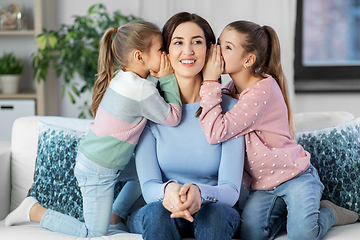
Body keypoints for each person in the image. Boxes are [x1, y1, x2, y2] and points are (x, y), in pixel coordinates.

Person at [5, 20, 183, 237]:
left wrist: (159, 79)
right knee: (93, 234)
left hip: (105, 162)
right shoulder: (140, 89)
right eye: (161, 50)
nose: (167, 55)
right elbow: (172, 117)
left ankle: (115, 215)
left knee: (146, 172)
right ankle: (34, 211)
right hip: (97, 171)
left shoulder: (125, 78)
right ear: (139, 56)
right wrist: (168, 78)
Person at [198, 20, 359, 240]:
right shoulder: (230, 91)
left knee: (303, 234)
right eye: (218, 43)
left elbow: (215, 132)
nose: (217, 51)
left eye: (227, 47)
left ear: (248, 60)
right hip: (263, 187)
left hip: (295, 176)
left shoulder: (261, 91)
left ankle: (329, 211)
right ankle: (292, 213)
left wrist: (208, 80)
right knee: (252, 235)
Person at [129, 12, 245, 240]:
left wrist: (199, 193)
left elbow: (231, 191)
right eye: (178, 42)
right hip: (162, 208)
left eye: (197, 42)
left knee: (214, 218)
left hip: (213, 208)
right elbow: (149, 185)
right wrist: (170, 191)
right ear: (166, 52)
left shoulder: (231, 109)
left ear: (211, 51)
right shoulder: (149, 109)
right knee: (157, 214)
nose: (188, 50)